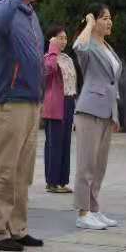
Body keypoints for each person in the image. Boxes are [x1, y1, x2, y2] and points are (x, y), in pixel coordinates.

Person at [0, 0, 46, 252]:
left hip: (30, 100)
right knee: (4, 169)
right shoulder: (2, 5)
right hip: (9, 100)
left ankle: (17, 228)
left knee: (22, 171)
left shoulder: (29, 12)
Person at [72, 8, 122, 229]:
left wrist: (115, 114)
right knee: (87, 163)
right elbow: (78, 47)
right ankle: (82, 213)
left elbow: (113, 83)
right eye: (104, 18)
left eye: (110, 18)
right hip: (89, 110)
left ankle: (93, 208)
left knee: (99, 165)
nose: (109, 22)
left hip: (106, 111)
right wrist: (89, 23)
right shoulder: (89, 45)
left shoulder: (108, 47)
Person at [42, 26, 77, 194]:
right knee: (54, 143)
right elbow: (50, 69)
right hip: (55, 103)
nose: (64, 41)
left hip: (69, 101)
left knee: (65, 142)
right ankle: (52, 182)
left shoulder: (67, 58)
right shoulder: (48, 58)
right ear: (52, 40)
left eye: (65, 38)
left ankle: (62, 181)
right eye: (60, 38)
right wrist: (52, 49)